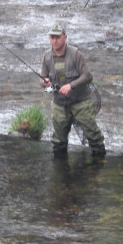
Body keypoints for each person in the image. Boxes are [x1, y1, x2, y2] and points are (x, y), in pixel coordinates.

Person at [40, 24, 106, 159]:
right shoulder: (46, 57)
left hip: (81, 102)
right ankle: (60, 171)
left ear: (65, 37)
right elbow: (43, 79)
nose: (55, 41)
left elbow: (88, 76)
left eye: (57, 37)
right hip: (59, 104)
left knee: (94, 137)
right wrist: (45, 82)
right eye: (52, 37)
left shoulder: (76, 54)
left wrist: (71, 85)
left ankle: (99, 166)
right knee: (58, 141)